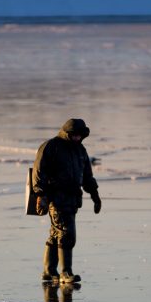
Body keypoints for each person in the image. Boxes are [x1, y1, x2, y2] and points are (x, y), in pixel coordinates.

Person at [32, 118, 102, 284]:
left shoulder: (80, 151)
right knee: (67, 233)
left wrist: (94, 195)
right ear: (67, 133)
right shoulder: (51, 146)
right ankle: (65, 273)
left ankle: (48, 272)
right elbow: (38, 171)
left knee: (57, 234)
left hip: (72, 198)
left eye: (80, 135)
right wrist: (40, 195)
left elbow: (87, 176)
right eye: (74, 135)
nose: (77, 138)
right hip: (55, 198)